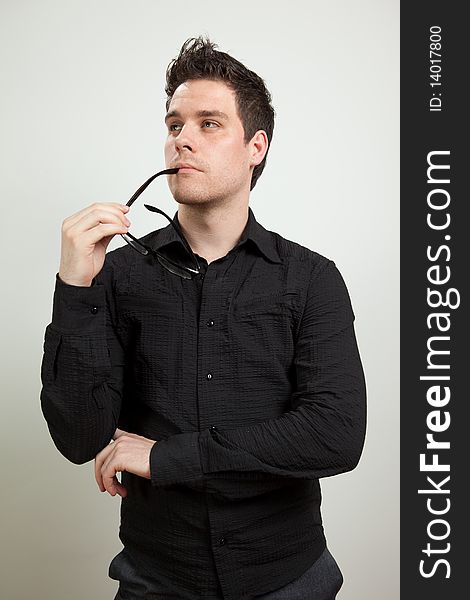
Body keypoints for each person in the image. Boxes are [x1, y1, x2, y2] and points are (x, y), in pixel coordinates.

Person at [40, 36, 367, 600]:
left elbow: (335, 435)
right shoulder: (115, 275)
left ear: (255, 147)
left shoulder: (311, 278)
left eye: (209, 123)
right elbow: (79, 437)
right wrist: (76, 286)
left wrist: (168, 456)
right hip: (158, 578)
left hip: (288, 577)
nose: (182, 139)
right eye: (174, 125)